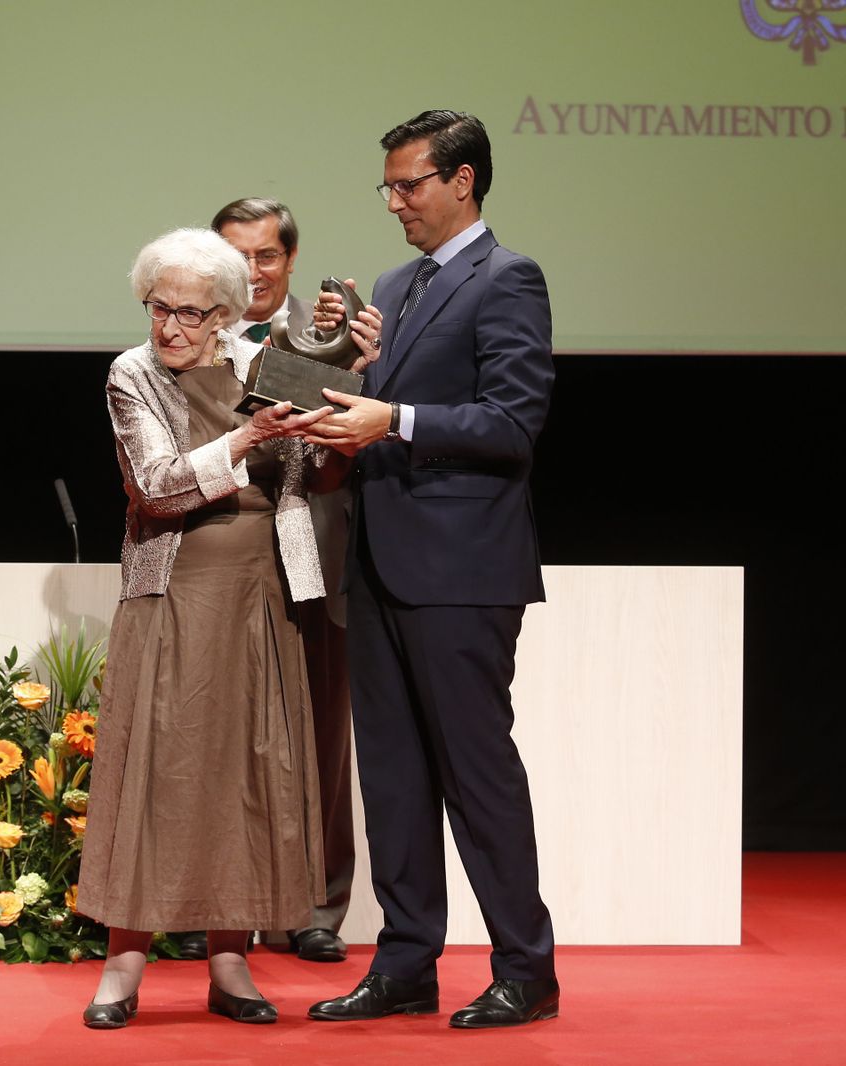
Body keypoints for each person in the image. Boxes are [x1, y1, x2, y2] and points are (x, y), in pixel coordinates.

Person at [75, 228, 379, 1029]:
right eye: (158, 307)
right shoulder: (131, 374)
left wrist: (351, 380)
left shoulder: (261, 365)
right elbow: (156, 489)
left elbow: (320, 473)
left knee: (251, 773)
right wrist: (245, 439)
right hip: (175, 592)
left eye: (189, 312)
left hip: (263, 597)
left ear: (225, 315)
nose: (168, 327)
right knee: (159, 776)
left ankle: (230, 960)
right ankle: (124, 962)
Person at [303, 110, 559, 1028]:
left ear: (463, 182)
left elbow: (512, 422)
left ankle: (527, 967)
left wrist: (396, 420)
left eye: (409, 184)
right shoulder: (397, 281)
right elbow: (387, 400)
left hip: (462, 566)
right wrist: (349, 370)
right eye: (388, 187)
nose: (395, 203)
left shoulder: (508, 279)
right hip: (380, 556)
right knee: (395, 775)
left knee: (476, 772)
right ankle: (407, 962)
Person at [210, 197, 359, 965]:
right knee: (223, 738)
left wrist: (361, 366)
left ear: (291, 259)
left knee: (319, 734)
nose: (253, 271)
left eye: (267, 255)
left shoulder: (333, 335)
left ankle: (315, 910)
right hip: (220, 556)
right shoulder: (189, 335)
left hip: (310, 549)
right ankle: (220, 904)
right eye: (237, 256)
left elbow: (354, 441)